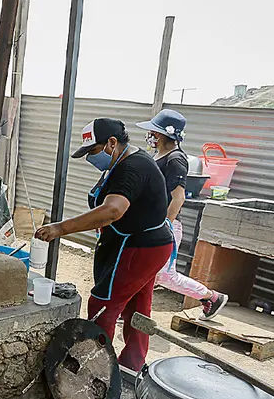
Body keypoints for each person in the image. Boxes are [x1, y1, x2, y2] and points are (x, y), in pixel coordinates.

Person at [35, 118, 174, 371]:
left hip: (138, 248)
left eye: (94, 151)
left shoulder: (132, 167)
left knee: (103, 304)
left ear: (112, 143)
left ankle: (95, 369)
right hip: (146, 244)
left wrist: (60, 228)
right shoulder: (121, 162)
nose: (91, 158)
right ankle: (131, 364)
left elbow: (112, 210)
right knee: (137, 306)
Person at [137, 109, 228, 319]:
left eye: (153, 131)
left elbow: (178, 197)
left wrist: (164, 226)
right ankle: (134, 310)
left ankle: (211, 297)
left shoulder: (175, 159)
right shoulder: (158, 155)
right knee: (144, 271)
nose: (150, 135)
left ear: (160, 134)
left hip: (165, 227)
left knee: (165, 276)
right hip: (151, 224)